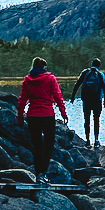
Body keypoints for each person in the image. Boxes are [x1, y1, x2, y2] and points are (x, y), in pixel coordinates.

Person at [17, 56, 68, 185]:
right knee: (49, 145)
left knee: (37, 147)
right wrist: (63, 113)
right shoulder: (50, 78)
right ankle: (42, 174)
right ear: (43, 67)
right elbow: (58, 97)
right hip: (47, 116)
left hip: (33, 116)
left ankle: (38, 174)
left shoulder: (27, 80)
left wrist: (20, 118)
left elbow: (22, 100)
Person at [70, 56, 105, 148]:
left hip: (86, 100)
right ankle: (96, 140)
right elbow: (104, 87)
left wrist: (73, 96)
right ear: (99, 65)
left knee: (86, 119)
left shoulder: (85, 73)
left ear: (92, 64)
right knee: (96, 119)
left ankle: (87, 140)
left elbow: (77, 84)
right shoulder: (100, 74)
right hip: (97, 100)